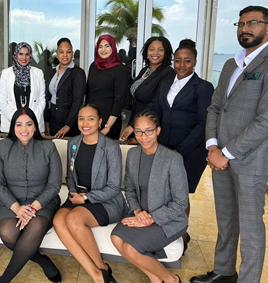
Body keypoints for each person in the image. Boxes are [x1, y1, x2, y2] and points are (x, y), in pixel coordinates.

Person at [191, 5, 268, 283]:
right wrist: (212, 147)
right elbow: (215, 108)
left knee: (250, 228)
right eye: (241, 24)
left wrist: (227, 152)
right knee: (225, 220)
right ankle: (224, 271)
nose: (245, 28)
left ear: (267, 28)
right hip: (219, 157)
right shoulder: (231, 63)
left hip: (251, 161)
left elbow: (265, 121)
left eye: (253, 23)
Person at [53, 103, 127, 283]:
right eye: (81, 118)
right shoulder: (73, 143)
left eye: (91, 119)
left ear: (100, 122)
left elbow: (114, 187)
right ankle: (98, 274)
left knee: (73, 219)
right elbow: (70, 175)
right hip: (77, 196)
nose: (85, 123)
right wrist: (73, 192)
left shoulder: (111, 148)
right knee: (58, 221)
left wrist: (85, 198)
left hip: (106, 201)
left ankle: (101, 268)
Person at [111, 111, 188, 283]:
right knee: (116, 238)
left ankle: (172, 279)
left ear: (158, 131)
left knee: (131, 249)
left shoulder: (173, 159)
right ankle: (154, 278)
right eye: (138, 131)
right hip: (141, 212)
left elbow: (181, 202)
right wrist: (137, 211)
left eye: (149, 131)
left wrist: (151, 218)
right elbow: (130, 189)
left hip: (168, 219)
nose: (143, 136)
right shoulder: (133, 155)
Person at [154, 39, 214, 253]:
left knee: (179, 195)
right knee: (164, 191)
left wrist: (179, 151)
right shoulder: (165, 84)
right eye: (178, 60)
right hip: (165, 146)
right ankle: (172, 232)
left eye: (187, 61)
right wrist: (150, 137)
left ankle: (180, 234)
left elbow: (203, 124)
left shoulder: (204, 87)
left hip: (190, 150)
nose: (181, 65)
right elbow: (158, 112)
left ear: (195, 62)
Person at [0, 107, 62, 283]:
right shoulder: (2, 146)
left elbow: (54, 185)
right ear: (13, 127)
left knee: (36, 226)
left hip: (43, 202)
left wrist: (32, 208)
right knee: (7, 232)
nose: (24, 129)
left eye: (29, 124)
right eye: (19, 124)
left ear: (35, 126)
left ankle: (4, 279)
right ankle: (43, 260)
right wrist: (16, 208)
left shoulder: (49, 147)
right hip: (10, 201)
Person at [120, 37, 176, 144]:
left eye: (160, 49)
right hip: (137, 121)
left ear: (167, 52)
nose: (155, 53)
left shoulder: (168, 73)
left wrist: (134, 125)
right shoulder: (145, 70)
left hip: (149, 127)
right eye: (151, 49)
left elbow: (156, 103)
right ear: (146, 52)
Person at [86, 35, 129, 139]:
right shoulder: (93, 66)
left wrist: (108, 126)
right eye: (100, 47)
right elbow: (89, 94)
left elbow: (120, 100)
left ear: (113, 48)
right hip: (92, 119)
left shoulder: (120, 69)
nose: (103, 50)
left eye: (107, 46)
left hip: (109, 120)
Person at [0, 42, 46, 133]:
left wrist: (31, 120)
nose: (24, 58)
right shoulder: (6, 73)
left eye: (27, 54)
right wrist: (18, 120)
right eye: (21, 54)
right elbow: (1, 102)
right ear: (16, 55)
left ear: (30, 56)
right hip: (11, 122)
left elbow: (42, 100)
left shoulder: (38, 73)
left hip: (33, 124)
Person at [44, 38, 86, 138]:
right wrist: (47, 121)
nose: (65, 55)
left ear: (72, 53)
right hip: (53, 121)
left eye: (68, 52)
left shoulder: (78, 73)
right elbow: (48, 98)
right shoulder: (53, 72)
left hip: (69, 123)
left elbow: (78, 101)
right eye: (61, 52)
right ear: (57, 54)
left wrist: (68, 125)